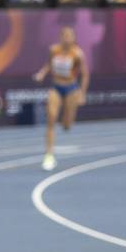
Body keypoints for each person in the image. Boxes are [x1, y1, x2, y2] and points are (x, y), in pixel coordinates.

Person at [33, 26, 88, 171]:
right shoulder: (54, 50)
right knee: (51, 117)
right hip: (56, 87)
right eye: (64, 35)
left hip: (71, 89)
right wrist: (42, 73)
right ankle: (49, 155)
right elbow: (49, 65)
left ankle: (66, 118)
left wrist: (82, 93)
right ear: (61, 37)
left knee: (66, 126)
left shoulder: (77, 54)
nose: (67, 38)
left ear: (73, 38)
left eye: (70, 36)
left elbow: (85, 74)